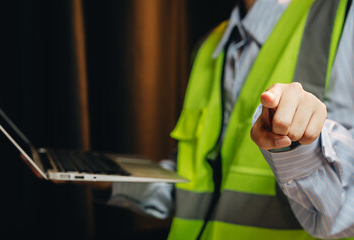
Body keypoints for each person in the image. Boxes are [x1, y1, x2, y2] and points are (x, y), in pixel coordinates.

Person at [94, 0, 354, 239]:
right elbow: (195, 189)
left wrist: (302, 150)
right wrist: (110, 181)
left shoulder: (342, 18)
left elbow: (346, 208)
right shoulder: (210, 46)